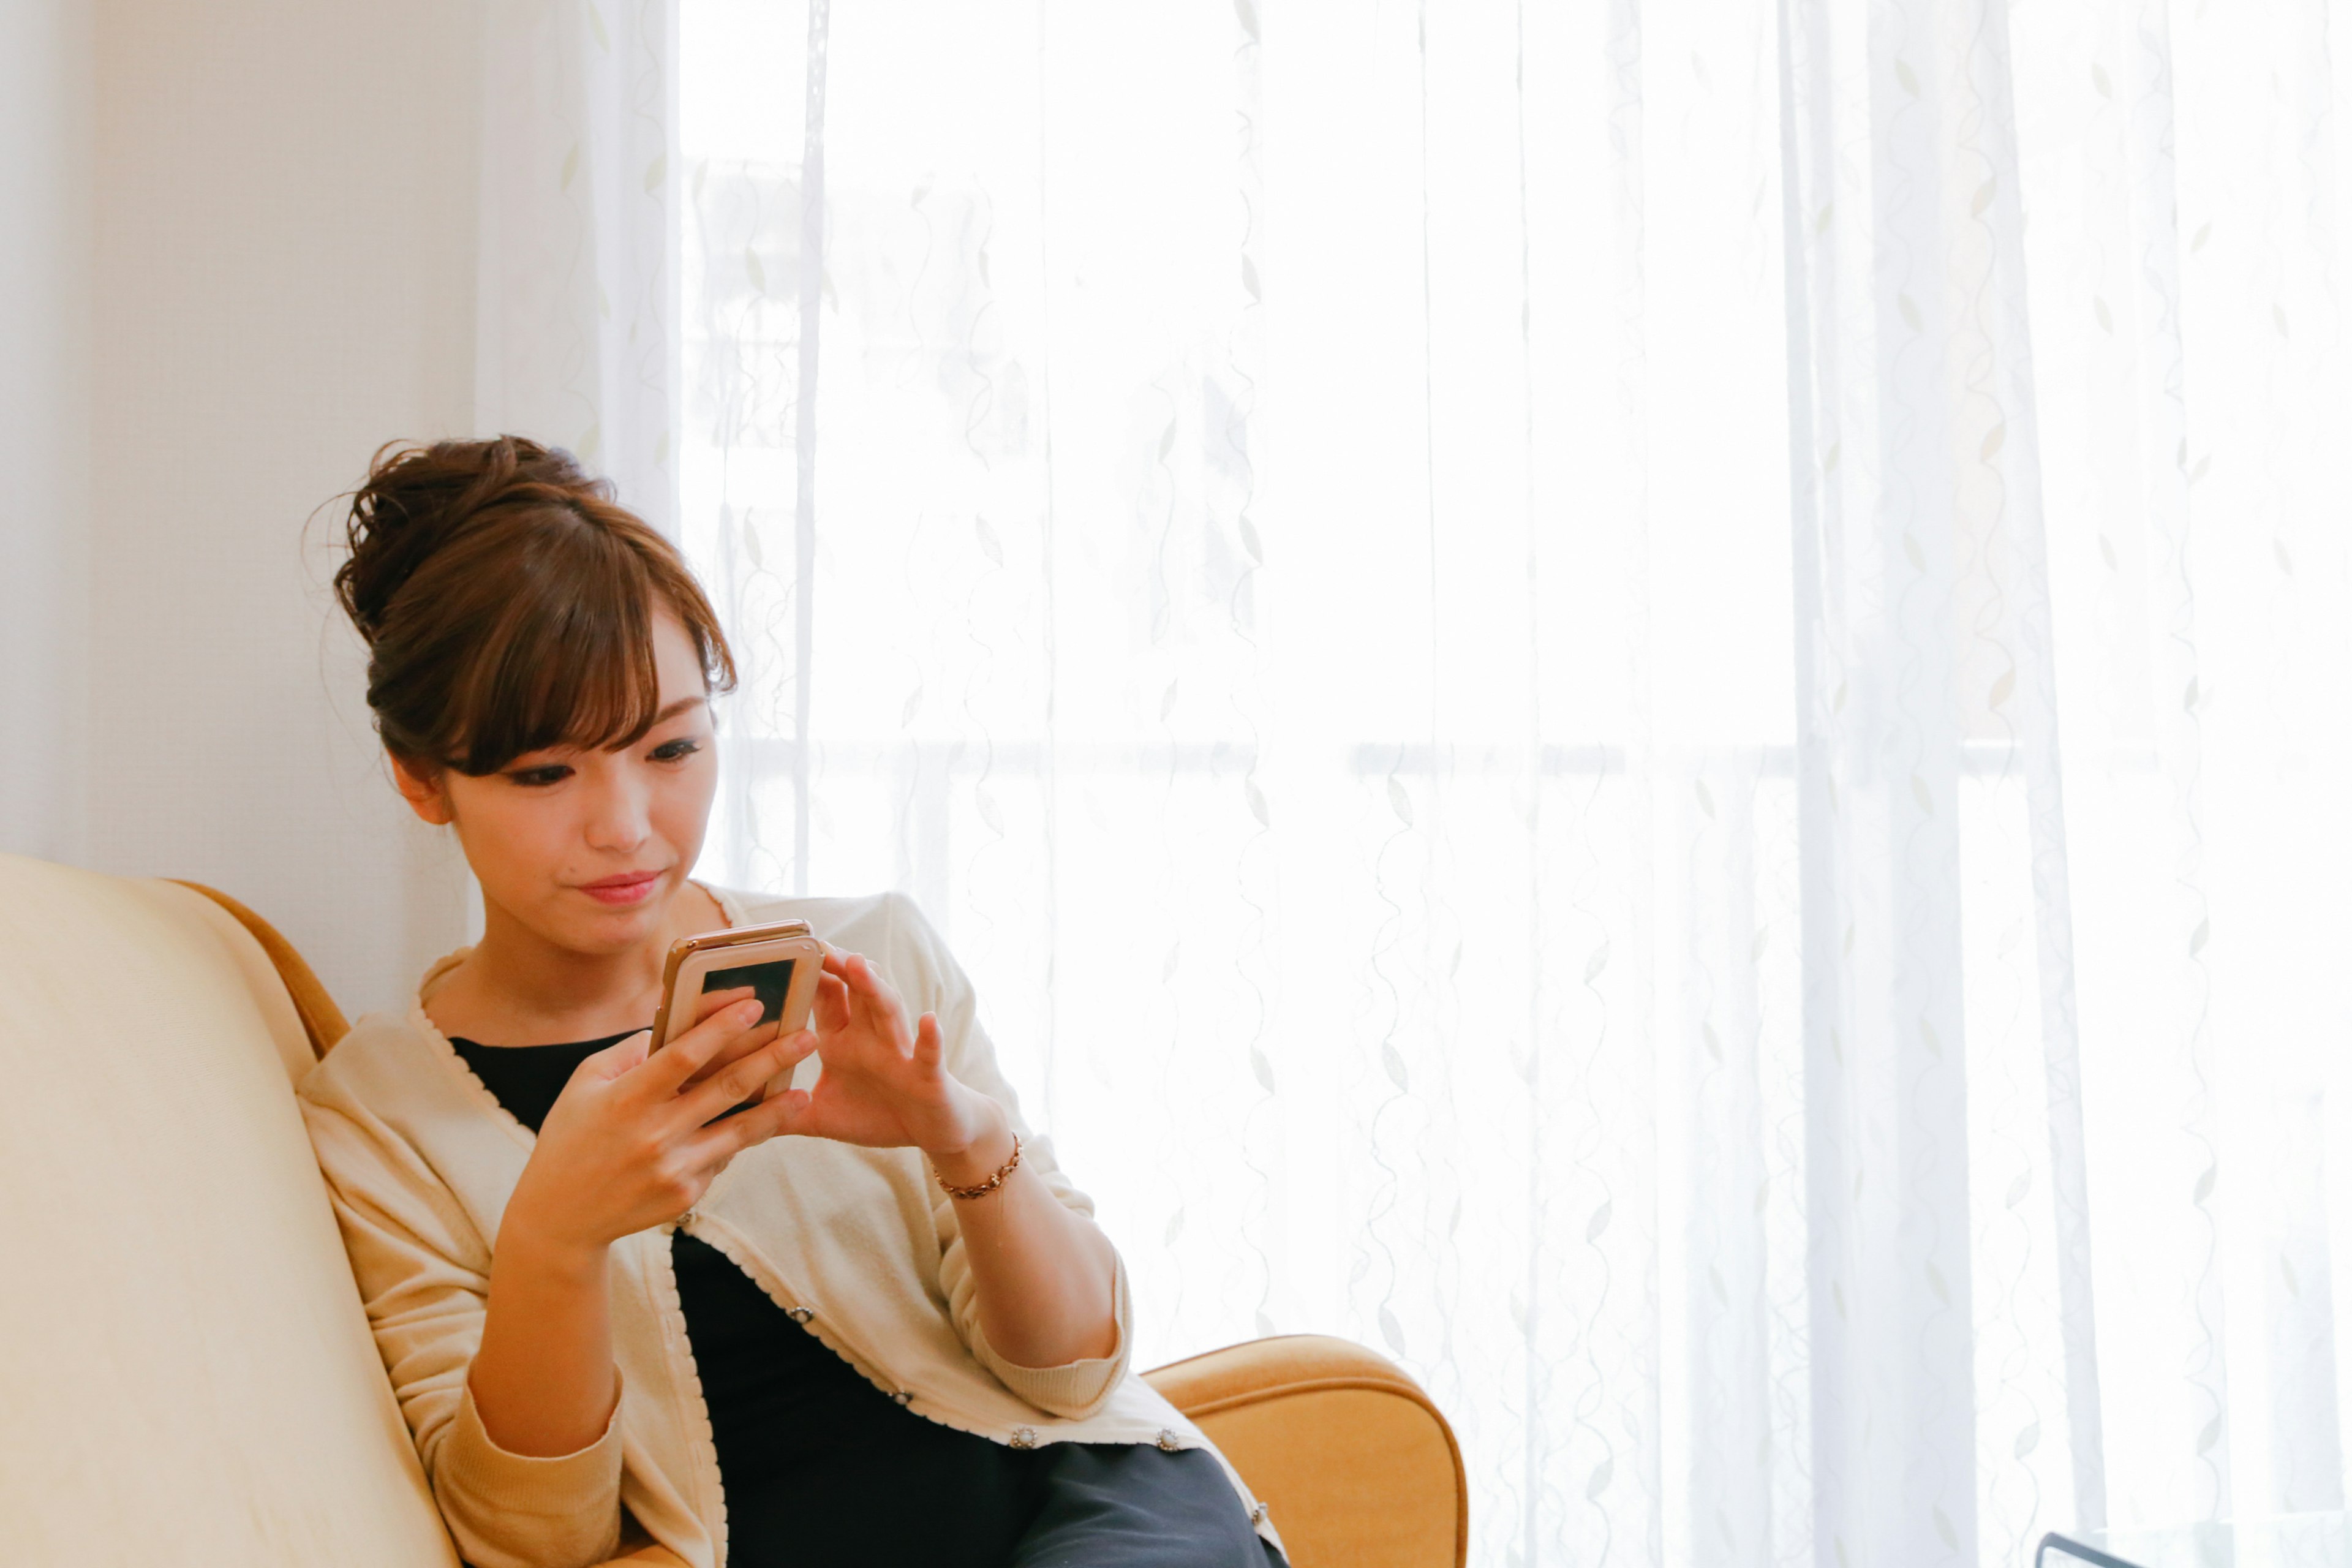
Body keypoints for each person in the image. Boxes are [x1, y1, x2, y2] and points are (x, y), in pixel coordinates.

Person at [297, 436, 1285, 1568]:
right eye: (544, 773)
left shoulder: (869, 956)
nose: (627, 825)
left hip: (1092, 1510)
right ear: (422, 780)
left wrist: (966, 1145)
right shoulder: (376, 1119)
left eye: (672, 747)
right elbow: (536, 1540)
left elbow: (1071, 1371)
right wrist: (554, 1237)